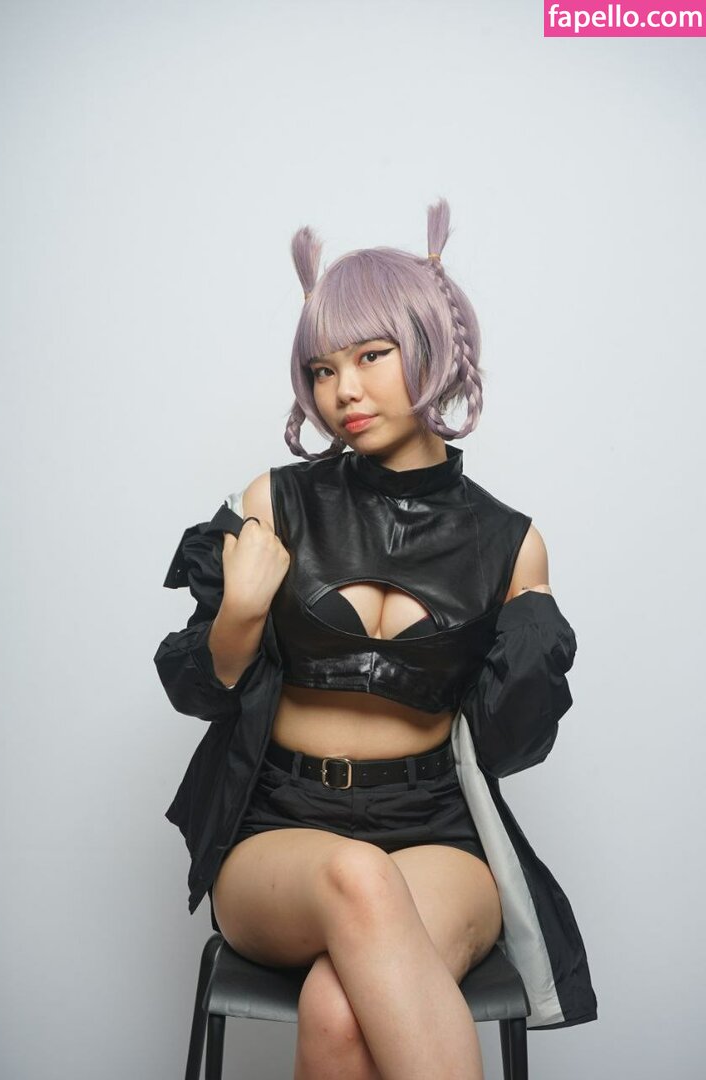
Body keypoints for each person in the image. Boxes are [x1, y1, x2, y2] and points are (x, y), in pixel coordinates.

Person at [154, 197, 597, 1079]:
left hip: (436, 836)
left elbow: (510, 747)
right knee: (357, 876)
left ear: (430, 348)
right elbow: (196, 691)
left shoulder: (509, 542)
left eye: (370, 356)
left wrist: (534, 627)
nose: (343, 391)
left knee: (337, 1006)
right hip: (280, 832)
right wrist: (239, 616)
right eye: (322, 369)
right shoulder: (276, 504)